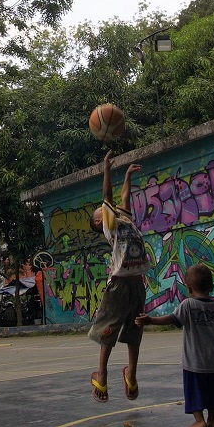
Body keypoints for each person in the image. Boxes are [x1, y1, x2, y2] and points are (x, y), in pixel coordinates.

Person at [137, 263, 214, 427]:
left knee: (194, 392)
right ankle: (212, 420)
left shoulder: (188, 305)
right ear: (212, 287)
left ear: (188, 288)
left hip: (194, 362)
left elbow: (171, 319)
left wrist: (150, 320)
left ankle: (199, 420)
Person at [87, 150, 151, 403]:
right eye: (100, 212)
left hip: (137, 282)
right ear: (99, 222)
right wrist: (106, 168)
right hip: (121, 283)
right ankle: (101, 376)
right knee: (108, 329)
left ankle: (131, 374)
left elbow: (123, 197)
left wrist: (126, 176)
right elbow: (108, 196)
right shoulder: (110, 224)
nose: (106, 209)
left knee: (136, 327)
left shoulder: (123, 218)